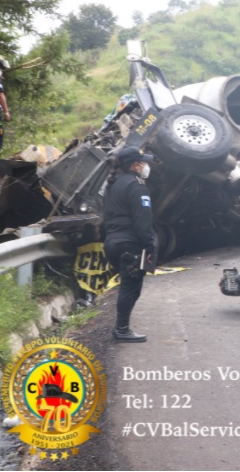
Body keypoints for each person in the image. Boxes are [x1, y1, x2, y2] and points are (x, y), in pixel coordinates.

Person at [103, 146, 157, 343]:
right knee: (130, 286)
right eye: (144, 162)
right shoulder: (137, 187)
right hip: (129, 244)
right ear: (135, 165)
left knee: (130, 285)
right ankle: (122, 329)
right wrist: (149, 247)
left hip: (113, 242)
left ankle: (122, 327)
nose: (146, 166)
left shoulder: (113, 184)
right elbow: (143, 222)